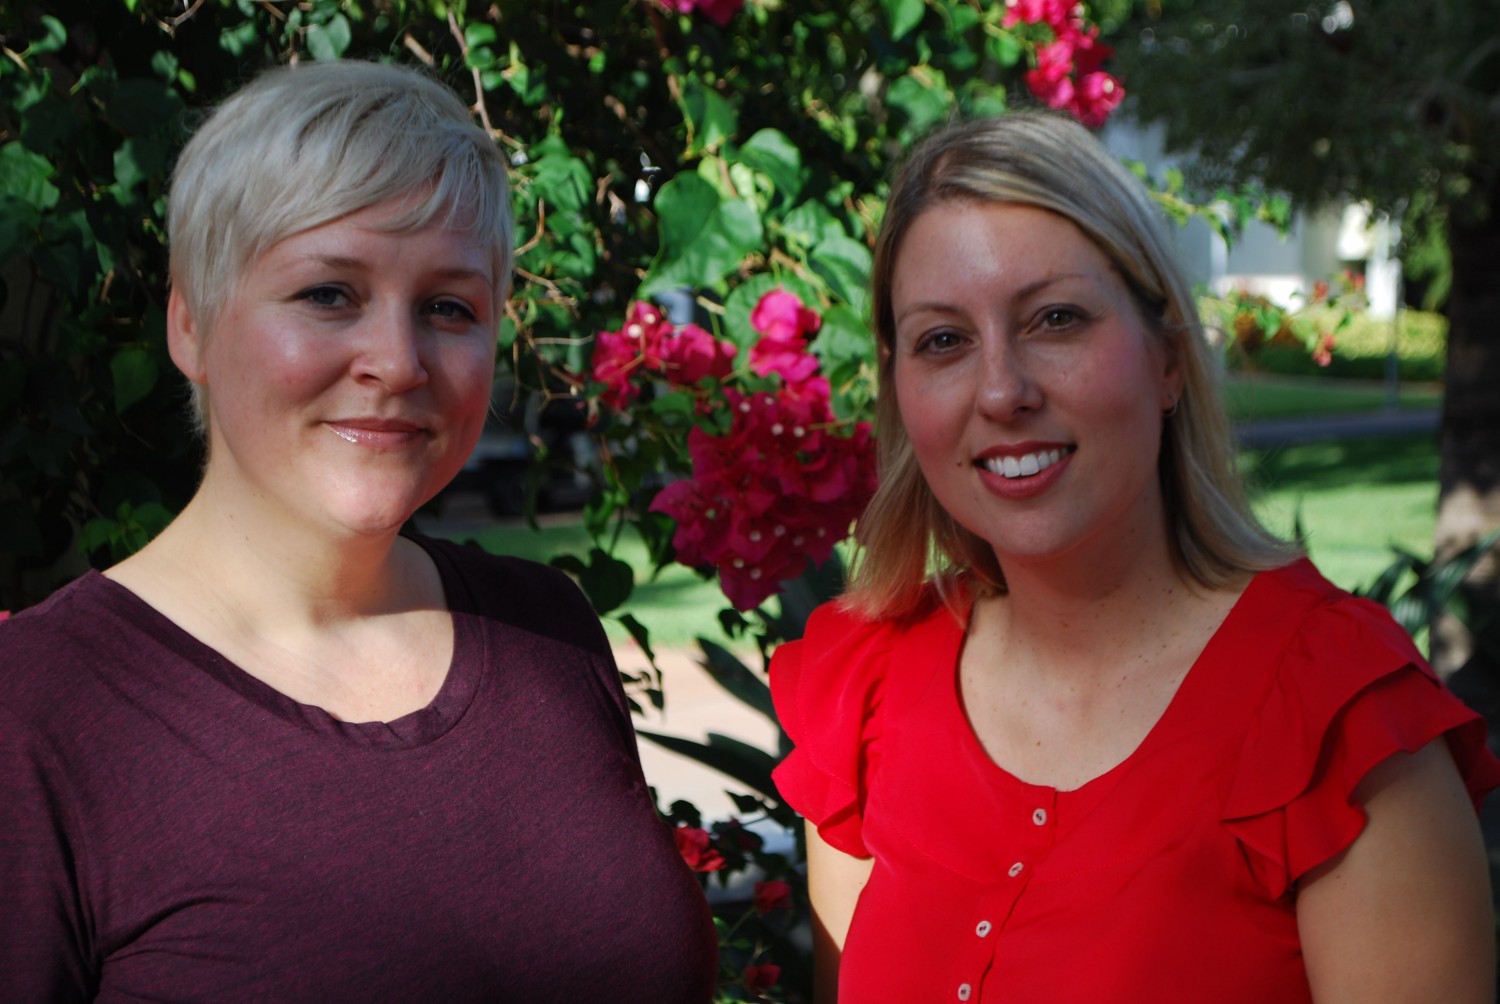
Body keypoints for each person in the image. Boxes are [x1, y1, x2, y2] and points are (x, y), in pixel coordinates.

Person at [0, 59, 716, 1002]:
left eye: (448, 307)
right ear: (189, 323)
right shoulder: (37, 716)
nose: (397, 361)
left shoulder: (545, 628)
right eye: (329, 294)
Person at [769, 112, 1500, 1003]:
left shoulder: (1338, 721)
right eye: (944, 341)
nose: (1001, 391)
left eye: (1056, 320)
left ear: (1169, 361)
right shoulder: (868, 687)